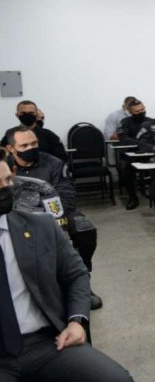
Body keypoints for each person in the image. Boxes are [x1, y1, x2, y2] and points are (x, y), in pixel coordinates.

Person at [0, 160, 133, 382]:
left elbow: (76, 274)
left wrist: (76, 321)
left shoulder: (39, 225)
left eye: (7, 181)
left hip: (45, 343)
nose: (6, 190)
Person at [5, 128, 103, 309]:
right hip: (13, 216)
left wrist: (44, 217)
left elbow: (66, 195)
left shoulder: (53, 163)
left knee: (84, 227)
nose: (31, 148)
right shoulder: (4, 166)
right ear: (11, 149)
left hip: (52, 213)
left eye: (34, 143)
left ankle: (81, 279)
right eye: (24, 145)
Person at [2, 101, 68, 163]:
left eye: (31, 113)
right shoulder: (10, 134)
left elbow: (61, 159)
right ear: (17, 115)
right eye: (23, 113)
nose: (27, 116)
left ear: (36, 114)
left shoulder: (48, 135)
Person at [115, 99, 152, 210]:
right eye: (137, 111)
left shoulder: (150, 121)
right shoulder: (125, 122)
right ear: (131, 112)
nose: (141, 112)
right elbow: (123, 138)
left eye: (142, 109)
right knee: (126, 168)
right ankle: (132, 198)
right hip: (131, 154)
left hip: (148, 153)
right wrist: (139, 143)